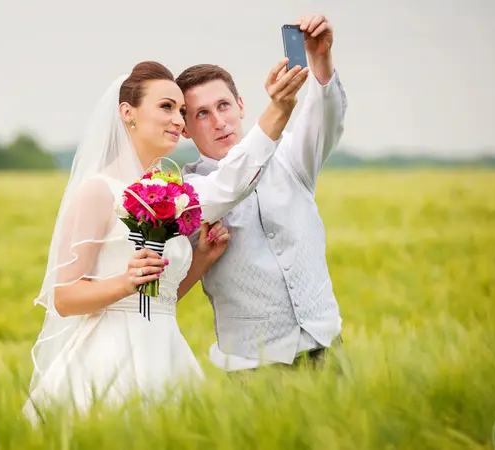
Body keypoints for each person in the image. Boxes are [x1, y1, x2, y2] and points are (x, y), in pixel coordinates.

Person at [22, 58, 309, 422]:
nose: (179, 120)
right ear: (128, 113)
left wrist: (201, 259)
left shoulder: (169, 193)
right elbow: (63, 298)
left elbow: (159, 294)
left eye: (182, 111)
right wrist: (125, 282)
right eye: (166, 107)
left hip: (166, 350)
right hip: (110, 356)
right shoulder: (97, 190)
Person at [178, 14, 348, 373]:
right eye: (202, 114)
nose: (219, 121)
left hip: (328, 345)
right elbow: (232, 183)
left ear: (241, 105)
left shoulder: (290, 154)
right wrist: (279, 109)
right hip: (253, 367)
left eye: (223, 106)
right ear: (185, 130)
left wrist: (320, 59)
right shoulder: (188, 190)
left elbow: (326, 120)